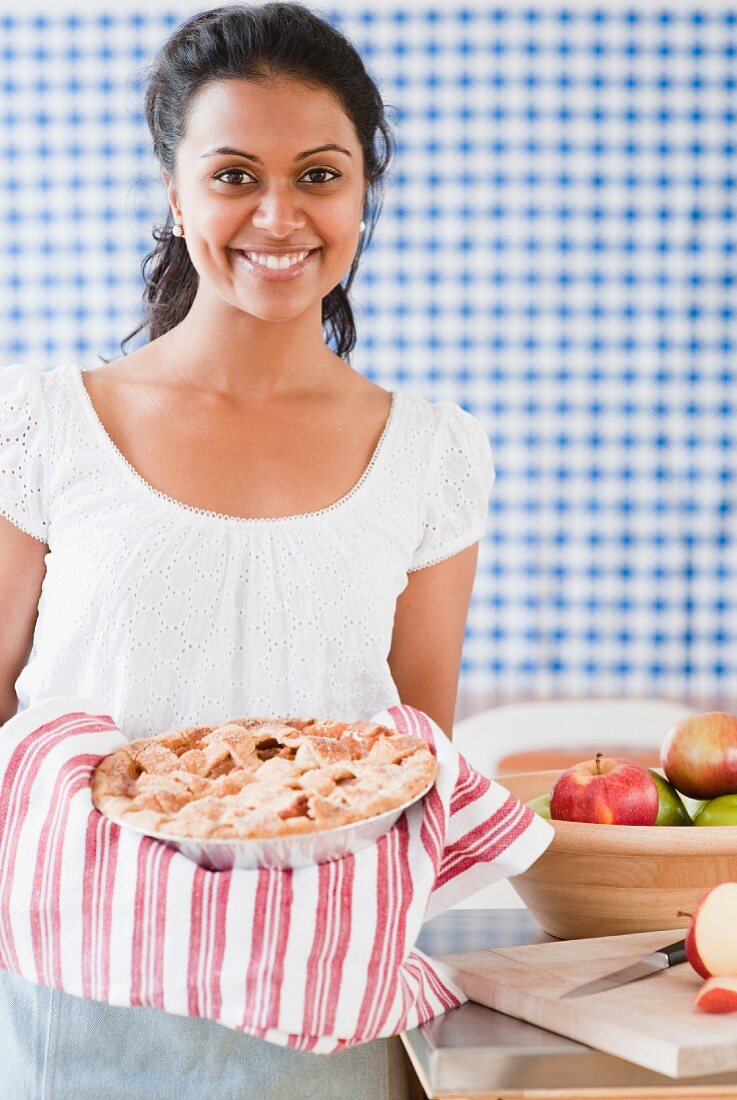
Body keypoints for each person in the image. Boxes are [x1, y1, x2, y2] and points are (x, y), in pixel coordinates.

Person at [0, 3, 495, 1097]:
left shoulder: (433, 452)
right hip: (76, 1010)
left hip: (323, 1022)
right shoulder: (40, 425)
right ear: (174, 196)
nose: (279, 213)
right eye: (233, 174)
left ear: (364, 192)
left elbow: (407, 759)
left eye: (319, 173)